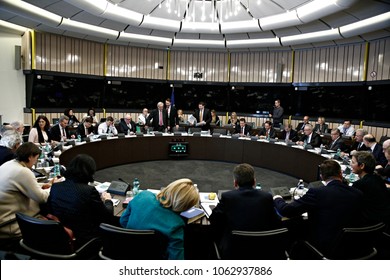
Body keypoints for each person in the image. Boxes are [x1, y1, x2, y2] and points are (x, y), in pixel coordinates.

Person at [273, 159, 364, 257]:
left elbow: (287, 211)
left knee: (295, 228)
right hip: (354, 244)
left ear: (321, 176)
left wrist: (277, 198)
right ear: (341, 173)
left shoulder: (317, 193)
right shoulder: (357, 193)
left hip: (328, 246)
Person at [209, 163, 282, 259]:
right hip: (263, 251)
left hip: (234, 251)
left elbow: (213, 218)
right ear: (254, 182)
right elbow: (276, 220)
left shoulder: (228, 197)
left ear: (235, 183)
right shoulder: (267, 197)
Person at [120, 178, 199, 260]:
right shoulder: (176, 225)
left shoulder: (143, 195)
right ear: (185, 206)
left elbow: (123, 220)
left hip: (126, 251)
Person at [47, 154, 116, 248]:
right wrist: (108, 200)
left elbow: (49, 209)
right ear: (90, 172)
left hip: (61, 235)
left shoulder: (55, 187)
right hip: (85, 239)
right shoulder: (89, 191)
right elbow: (107, 216)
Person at [0, 142, 52, 250]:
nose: (35, 162)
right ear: (30, 157)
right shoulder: (23, 171)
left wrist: (42, 185)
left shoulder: (9, 164)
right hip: (11, 225)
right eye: (36, 158)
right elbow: (42, 198)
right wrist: (53, 188)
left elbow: (21, 185)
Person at [351, 151, 390, 225]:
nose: (351, 164)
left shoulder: (360, 184)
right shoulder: (378, 178)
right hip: (383, 221)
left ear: (362, 166)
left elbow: (352, 204)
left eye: (353, 162)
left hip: (369, 222)